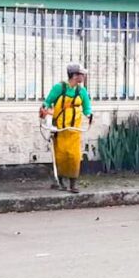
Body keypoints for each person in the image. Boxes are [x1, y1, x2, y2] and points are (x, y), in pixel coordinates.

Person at [40, 63, 93, 193]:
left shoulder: (82, 91)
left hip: (74, 130)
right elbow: (48, 102)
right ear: (74, 75)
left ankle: (73, 184)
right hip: (60, 129)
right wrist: (44, 108)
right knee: (61, 156)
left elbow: (87, 108)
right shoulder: (59, 88)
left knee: (74, 157)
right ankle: (60, 181)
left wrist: (89, 115)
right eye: (81, 74)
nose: (83, 76)